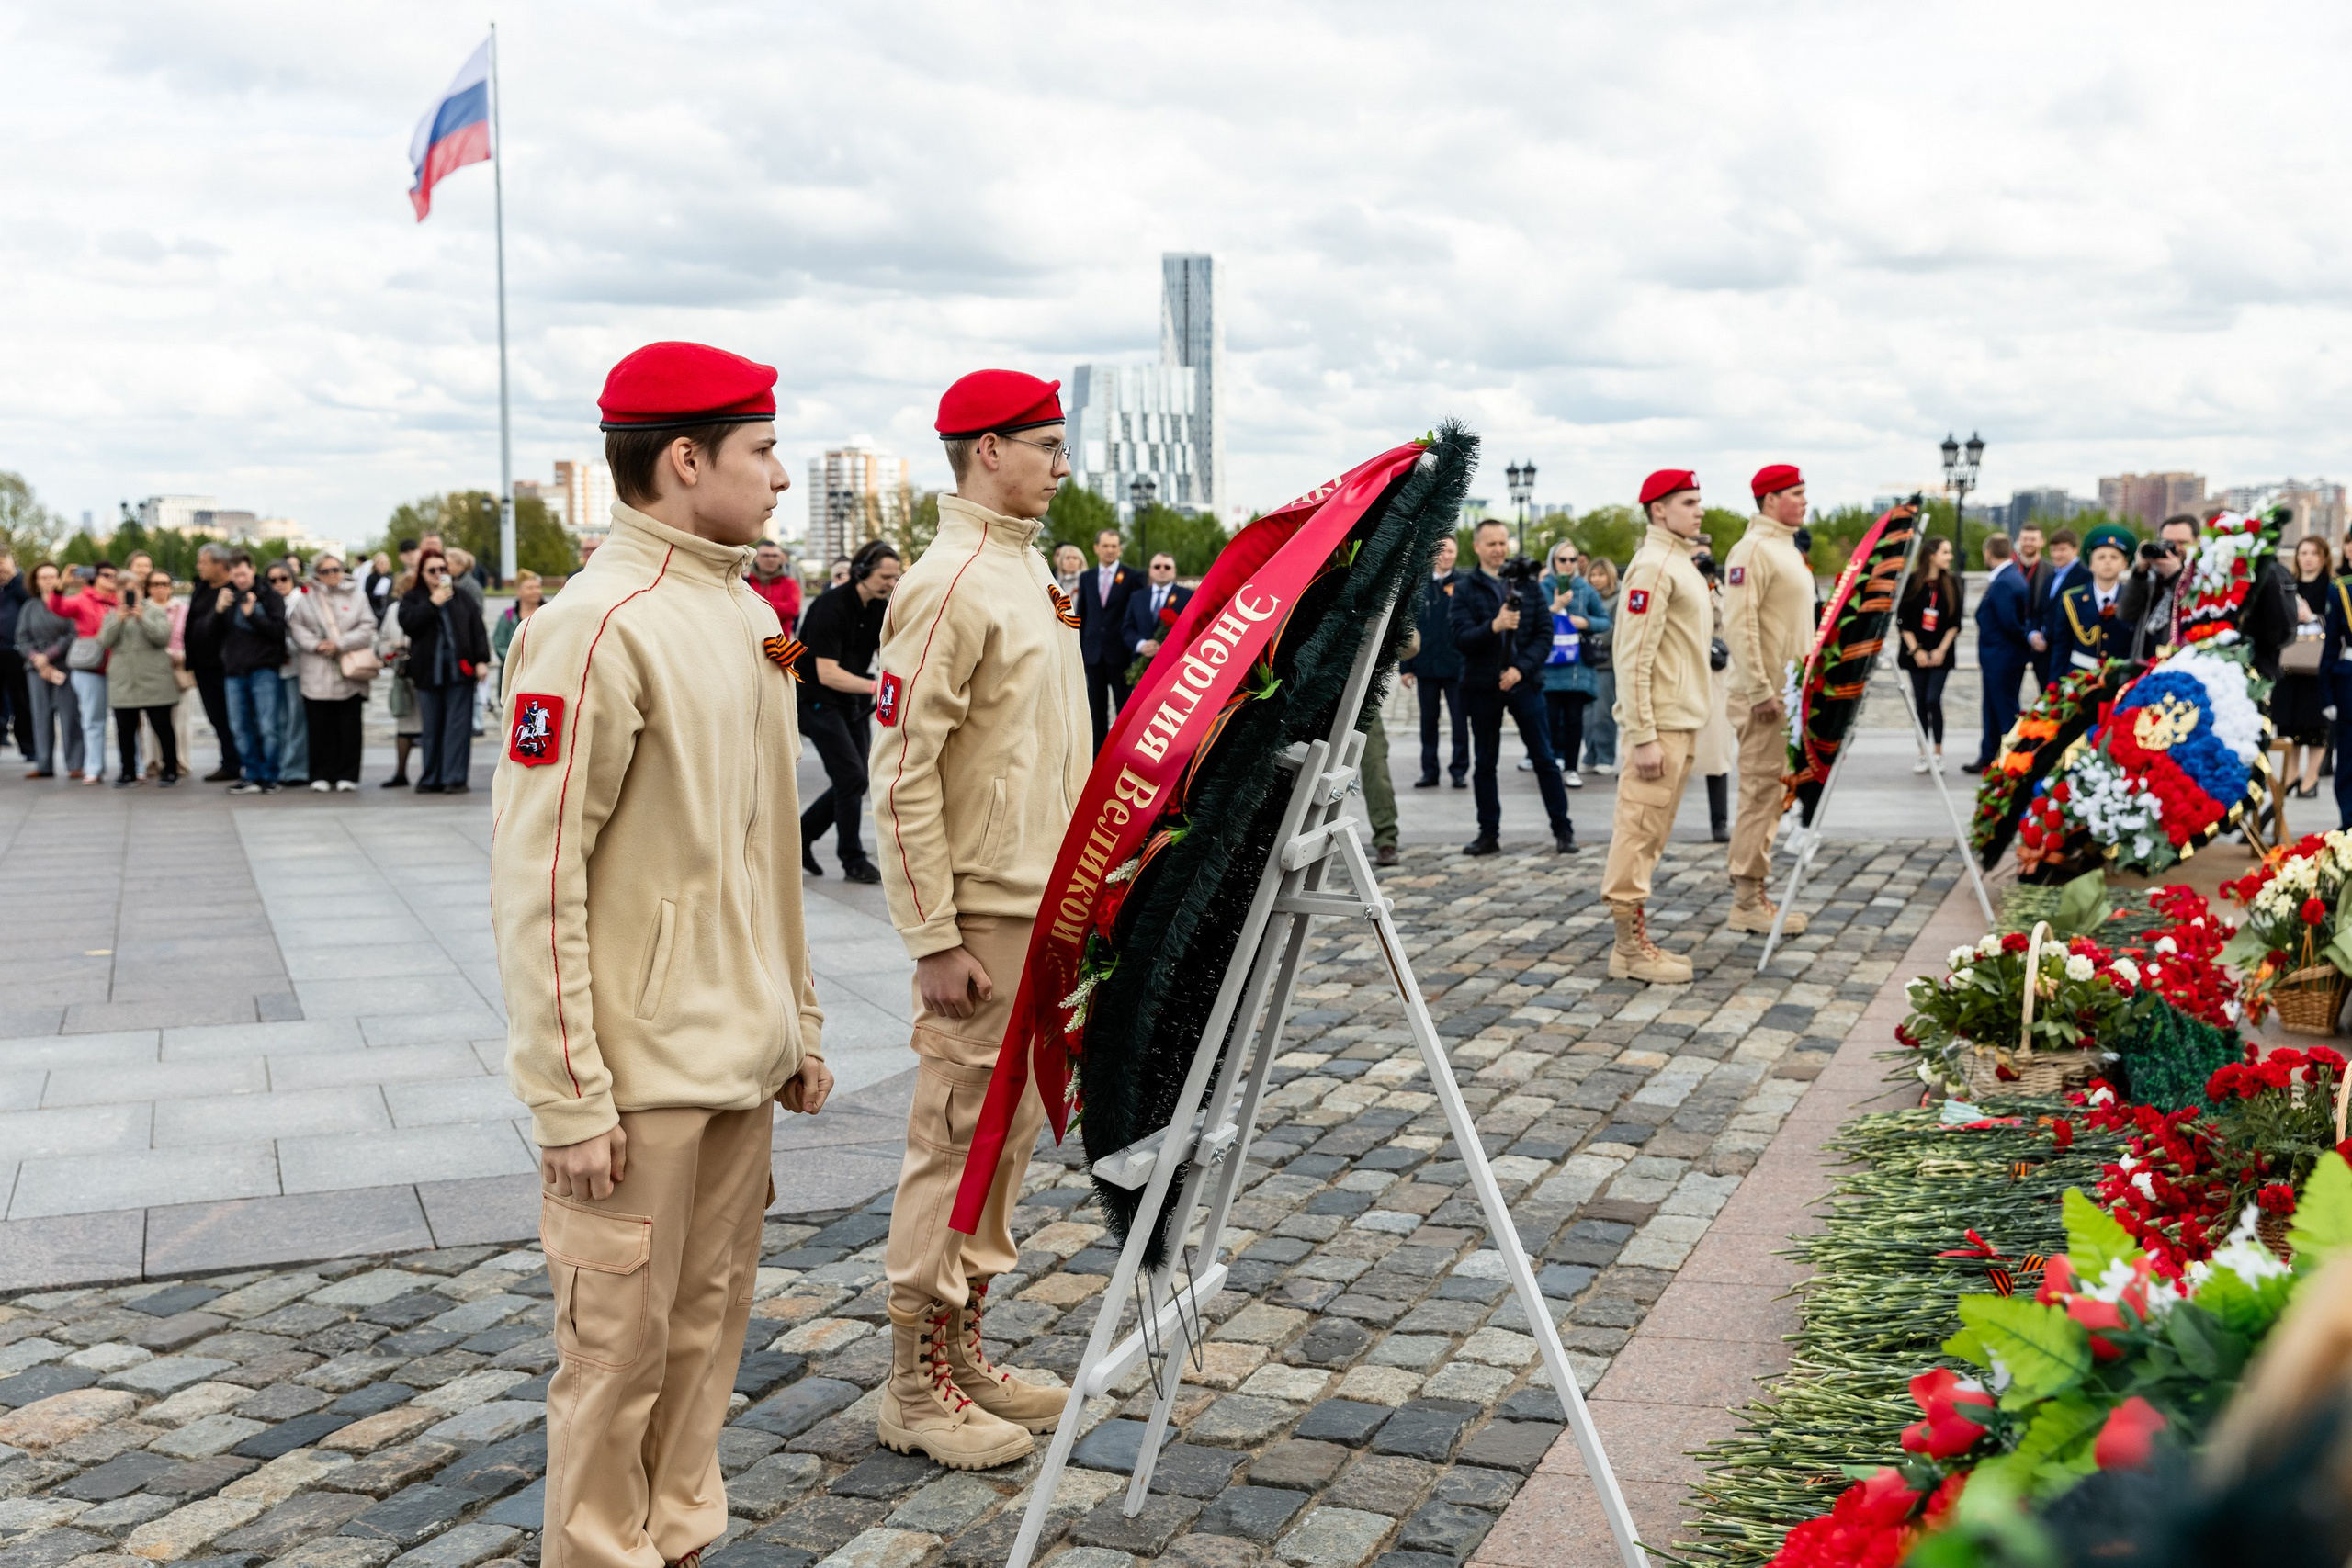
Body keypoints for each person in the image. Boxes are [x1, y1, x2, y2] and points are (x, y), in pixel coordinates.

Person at [490, 341, 832, 1568]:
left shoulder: (752, 615)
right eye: (762, 451)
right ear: (686, 460)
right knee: (617, 1352)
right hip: (636, 1079)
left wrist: (797, 1019)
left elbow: (766, 846)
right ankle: (598, 1550)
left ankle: (679, 1533)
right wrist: (570, 1092)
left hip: (736, 1054)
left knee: (707, 1332)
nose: (783, 475)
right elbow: (539, 880)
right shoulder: (589, 628)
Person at [870, 367, 1090, 1470]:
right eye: (1047, 445)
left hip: (1043, 897)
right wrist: (932, 935)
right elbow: (901, 770)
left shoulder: (1030, 577)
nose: (1062, 465)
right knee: (954, 1142)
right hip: (983, 914)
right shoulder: (950, 579)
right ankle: (911, 1384)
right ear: (987, 449)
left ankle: (961, 1349)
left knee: (998, 1151)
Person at [1601, 470, 1713, 984]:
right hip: (1660, 727)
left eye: (1698, 501)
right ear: (1658, 510)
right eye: (1688, 502)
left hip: (1681, 720)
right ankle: (1627, 948)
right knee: (1638, 832)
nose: (1699, 510)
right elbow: (1633, 657)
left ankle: (1635, 937)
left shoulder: (1680, 562)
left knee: (1652, 835)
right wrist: (1643, 735)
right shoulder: (1653, 566)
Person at [1720, 464, 1815, 934]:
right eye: (1796, 493)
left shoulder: (1785, 548)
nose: (1804, 501)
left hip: (1787, 696)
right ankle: (1746, 899)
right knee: (1760, 794)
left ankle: (1755, 891)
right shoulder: (1752, 549)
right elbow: (1739, 625)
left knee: (1773, 793)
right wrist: (1760, 689)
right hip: (1765, 699)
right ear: (1771, 498)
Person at [1451, 518, 1577, 857]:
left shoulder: (1528, 584)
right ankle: (1488, 833)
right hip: (1482, 685)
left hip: (1524, 684)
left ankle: (1563, 830)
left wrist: (1520, 670)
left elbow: (1544, 635)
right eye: (1491, 543)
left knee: (1545, 758)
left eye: (1503, 543)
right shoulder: (1465, 587)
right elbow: (1460, 638)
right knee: (1485, 762)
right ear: (1477, 546)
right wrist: (1494, 625)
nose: (1498, 550)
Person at [796, 538, 899, 884]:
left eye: (895, 576)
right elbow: (828, 673)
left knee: (856, 778)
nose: (891, 583)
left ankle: (802, 837)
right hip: (817, 700)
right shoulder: (829, 607)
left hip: (851, 703)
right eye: (885, 576)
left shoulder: (879, 609)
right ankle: (852, 859)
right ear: (861, 572)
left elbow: (891, 654)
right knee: (851, 777)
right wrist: (876, 687)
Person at [400, 548, 491, 795]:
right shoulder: (414, 597)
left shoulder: (461, 597)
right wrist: (432, 603)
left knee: (458, 727)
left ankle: (454, 777)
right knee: (431, 728)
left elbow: (477, 629)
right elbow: (408, 624)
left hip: (459, 671)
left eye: (443, 569)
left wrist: (482, 660)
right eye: (433, 570)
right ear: (422, 573)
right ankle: (432, 777)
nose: (439, 574)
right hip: (428, 672)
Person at [288, 553, 377, 793]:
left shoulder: (358, 595)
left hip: (348, 669)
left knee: (349, 726)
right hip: (316, 669)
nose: (331, 575)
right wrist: (316, 645)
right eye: (325, 571)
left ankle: (347, 773)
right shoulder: (307, 598)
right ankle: (320, 773)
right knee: (319, 726)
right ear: (317, 573)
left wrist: (339, 643)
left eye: (336, 569)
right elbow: (296, 626)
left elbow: (368, 626)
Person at [99, 570, 181, 788]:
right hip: (124, 681)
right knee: (124, 730)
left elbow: (162, 637)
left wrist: (141, 618)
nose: (129, 594)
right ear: (117, 592)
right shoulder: (112, 615)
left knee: (162, 726)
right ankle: (127, 772)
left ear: (140, 590)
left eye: (133, 590)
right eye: (123, 590)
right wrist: (119, 620)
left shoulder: (154, 611)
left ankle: (170, 769)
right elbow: (104, 641)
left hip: (154, 679)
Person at [1538, 540, 1610, 791]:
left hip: (1577, 667)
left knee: (1573, 719)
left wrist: (1585, 622)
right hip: (1548, 666)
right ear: (1552, 562)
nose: (1568, 565)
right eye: (1562, 560)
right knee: (1549, 717)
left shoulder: (1585, 589)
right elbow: (1529, 622)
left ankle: (1571, 767)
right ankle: (1550, 762)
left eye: (1572, 559)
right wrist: (1555, 608)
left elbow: (1605, 621)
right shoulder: (1543, 588)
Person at [215, 553, 287, 794]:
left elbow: (278, 632)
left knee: (268, 725)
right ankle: (251, 773)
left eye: (243, 573)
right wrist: (217, 611)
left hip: (263, 669)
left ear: (253, 570)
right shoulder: (226, 597)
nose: (240, 579)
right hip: (234, 671)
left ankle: (270, 775)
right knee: (239, 726)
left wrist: (252, 614)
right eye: (235, 575)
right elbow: (209, 636)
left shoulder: (270, 596)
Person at [1963, 533, 2031, 775]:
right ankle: (1989, 753)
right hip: (2000, 657)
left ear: (1988, 553)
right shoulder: (2011, 576)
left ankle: (2015, 757)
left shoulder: (2005, 581)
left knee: (2004, 708)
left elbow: (2010, 622)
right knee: (1992, 706)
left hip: (2003, 657)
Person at [1404, 536, 1469, 789]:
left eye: (1451, 551)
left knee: (1460, 721)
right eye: (1442, 551)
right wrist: (1406, 668)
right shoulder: (1419, 584)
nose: (1446, 556)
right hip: (1426, 665)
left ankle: (1459, 770)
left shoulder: (1464, 584)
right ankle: (1429, 771)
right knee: (1428, 722)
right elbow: (1408, 630)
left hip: (1456, 666)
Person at [2275, 534, 2335, 798]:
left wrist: (2314, 617)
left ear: (2323, 557)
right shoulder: (2289, 585)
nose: (2308, 558)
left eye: (2313, 553)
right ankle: (2291, 774)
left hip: (2318, 663)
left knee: (2314, 720)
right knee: (2290, 719)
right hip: (2289, 662)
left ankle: (2310, 777)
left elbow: (2338, 623)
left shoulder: (2331, 587)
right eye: (2303, 553)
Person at [1897, 536, 1964, 773]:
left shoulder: (1953, 583)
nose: (1950, 556)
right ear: (1932, 555)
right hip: (1916, 652)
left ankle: (1937, 752)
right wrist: (1915, 650)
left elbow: (1956, 622)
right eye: (1945, 552)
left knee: (1933, 699)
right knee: (1919, 702)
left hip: (1941, 652)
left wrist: (1941, 650)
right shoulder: (1912, 583)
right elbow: (1902, 620)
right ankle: (1922, 753)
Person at [1074, 525, 1139, 752]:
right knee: (1096, 710)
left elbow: (1137, 615)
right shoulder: (1087, 578)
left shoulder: (1133, 577)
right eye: (1105, 546)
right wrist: (1079, 650)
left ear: (1120, 549)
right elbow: (1082, 615)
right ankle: (1097, 758)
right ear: (1096, 548)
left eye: (1114, 546)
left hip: (1120, 654)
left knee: (1124, 710)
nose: (1110, 550)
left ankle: (1124, 753)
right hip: (1094, 654)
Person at [54, 563, 119, 787]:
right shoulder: (83, 599)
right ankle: (93, 767)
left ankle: (134, 766)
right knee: (93, 719)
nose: (111, 578)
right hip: (91, 666)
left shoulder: (120, 601)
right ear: (94, 577)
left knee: (129, 719)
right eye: (106, 575)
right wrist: (62, 583)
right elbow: (57, 606)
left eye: (114, 575)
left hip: (119, 666)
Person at [15, 563, 82, 779]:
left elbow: (72, 634)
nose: (48, 581)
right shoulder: (29, 608)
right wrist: (37, 659)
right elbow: (22, 638)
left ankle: (75, 764)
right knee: (40, 716)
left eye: (52, 576)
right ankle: (44, 764)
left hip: (64, 666)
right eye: (43, 577)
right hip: (37, 670)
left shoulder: (68, 603)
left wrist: (49, 655)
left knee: (70, 715)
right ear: (35, 581)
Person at [182, 546, 241, 782]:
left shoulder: (234, 590)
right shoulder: (201, 589)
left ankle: (240, 761)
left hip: (228, 666)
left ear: (220, 564)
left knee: (234, 717)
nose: (199, 567)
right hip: (203, 666)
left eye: (203, 562)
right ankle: (229, 762)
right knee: (216, 717)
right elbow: (192, 624)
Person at [2047, 525, 2131, 683]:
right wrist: (2054, 688)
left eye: (2114, 557)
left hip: (2121, 681)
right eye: (2101, 557)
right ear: (2091, 564)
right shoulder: (2072, 599)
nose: (2107, 562)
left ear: (2124, 564)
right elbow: (2061, 648)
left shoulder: (2133, 599)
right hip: (2080, 679)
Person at [1692, 547, 1736, 844]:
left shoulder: (1718, 589)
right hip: (1685, 673)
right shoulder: (1679, 581)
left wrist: (1711, 585)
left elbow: (1727, 620)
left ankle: (1719, 820)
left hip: (1715, 676)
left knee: (1716, 751)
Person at [263, 560, 310, 786]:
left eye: (284, 578)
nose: (279, 584)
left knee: (296, 719)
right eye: (273, 580)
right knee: (278, 719)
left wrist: (284, 648)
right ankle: (280, 764)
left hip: (296, 666)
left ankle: (295, 768)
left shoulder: (300, 602)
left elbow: (304, 636)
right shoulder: (266, 602)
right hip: (273, 668)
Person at [2025, 526, 2086, 689]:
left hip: (2066, 654)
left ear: (2075, 549)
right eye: (2053, 550)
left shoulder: (2085, 577)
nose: (2057, 555)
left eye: (2062, 550)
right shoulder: (2051, 576)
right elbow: (2040, 611)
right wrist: (2033, 634)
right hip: (2043, 655)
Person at [377, 572, 423, 787]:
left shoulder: (428, 607)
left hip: (425, 672)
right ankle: (401, 771)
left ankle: (430, 772)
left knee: (428, 725)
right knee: (404, 721)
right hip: (403, 673)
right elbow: (382, 641)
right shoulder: (394, 610)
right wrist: (391, 651)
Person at [1581, 555, 1621, 774]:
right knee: (1586, 715)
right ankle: (1590, 753)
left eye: (1601, 574)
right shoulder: (1585, 597)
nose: (1596, 579)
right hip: (1586, 661)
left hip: (1606, 662)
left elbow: (1615, 628)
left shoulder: (1619, 597)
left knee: (1603, 713)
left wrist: (1592, 632)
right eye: (1593, 574)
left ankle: (1606, 755)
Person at [1120, 551, 1190, 670]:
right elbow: (1127, 627)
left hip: (1173, 666)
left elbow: (1190, 629)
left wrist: (1165, 647)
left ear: (1174, 570)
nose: (1162, 570)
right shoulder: (1137, 596)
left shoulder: (1188, 597)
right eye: (1157, 566)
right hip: (1141, 664)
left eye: (1167, 567)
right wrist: (1141, 645)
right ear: (1150, 570)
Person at [0, 553, 31, 763]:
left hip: (16, 652)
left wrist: (13, 577)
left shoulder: (21, 585)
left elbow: (30, 600)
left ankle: (30, 748)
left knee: (22, 701)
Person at [492, 570, 546, 666]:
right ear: (518, 591)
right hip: (514, 672)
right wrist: (516, 662)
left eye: (538, 587)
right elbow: (499, 644)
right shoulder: (508, 615)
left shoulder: (548, 613)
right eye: (530, 588)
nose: (536, 591)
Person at [747, 539, 801, 628]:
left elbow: (792, 609)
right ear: (756, 558)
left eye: (775, 556)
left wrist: (755, 605)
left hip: (780, 640)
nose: (770, 559)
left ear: (781, 558)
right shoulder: (744, 583)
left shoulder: (790, 583)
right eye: (765, 555)